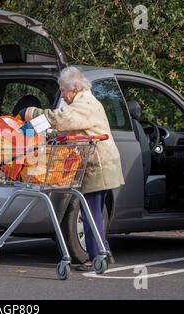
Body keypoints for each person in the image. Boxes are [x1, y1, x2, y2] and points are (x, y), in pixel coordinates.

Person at [19, 66, 124, 271]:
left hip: (98, 164)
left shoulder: (84, 104)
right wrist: (34, 132)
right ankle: (103, 253)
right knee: (93, 211)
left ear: (74, 88)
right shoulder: (83, 102)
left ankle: (96, 257)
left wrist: (30, 114)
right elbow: (69, 127)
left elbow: (61, 119)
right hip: (98, 163)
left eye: (63, 90)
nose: (62, 95)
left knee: (91, 212)